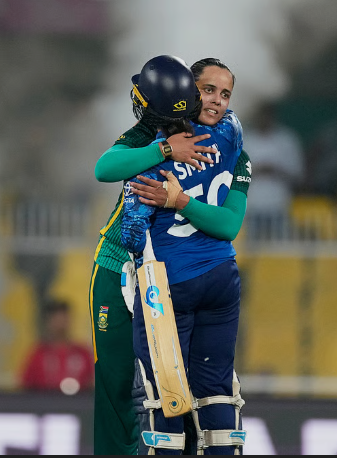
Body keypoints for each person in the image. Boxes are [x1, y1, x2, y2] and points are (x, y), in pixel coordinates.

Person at [122, 57, 251, 455]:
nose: (217, 100)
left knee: (163, 393)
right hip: (221, 280)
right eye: (209, 90)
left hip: (169, 282)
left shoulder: (161, 143)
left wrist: (176, 199)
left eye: (224, 93)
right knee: (217, 391)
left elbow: (105, 169)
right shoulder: (237, 146)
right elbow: (230, 227)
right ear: (190, 92)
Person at [90, 55, 214, 455]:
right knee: (117, 381)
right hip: (117, 266)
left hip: (170, 272)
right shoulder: (149, 135)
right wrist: (164, 149)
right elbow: (105, 168)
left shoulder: (212, 136)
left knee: (170, 384)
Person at [242, 101, 304, 241]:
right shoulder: (246, 140)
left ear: (273, 116)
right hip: (253, 205)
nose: (263, 119)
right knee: (253, 250)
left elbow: (297, 174)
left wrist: (275, 170)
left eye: (267, 115)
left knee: (280, 247)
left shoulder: (286, 139)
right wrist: (256, 170)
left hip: (278, 204)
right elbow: (234, 174)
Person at [20, 299, 94, 392]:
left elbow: (93, 383)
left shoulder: (83, 353)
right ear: (47, 322)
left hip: (77, 404)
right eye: (56, 319)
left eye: (64, 318)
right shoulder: (38, 354)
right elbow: (25, 387)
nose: (60, 323)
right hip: (45, 404)